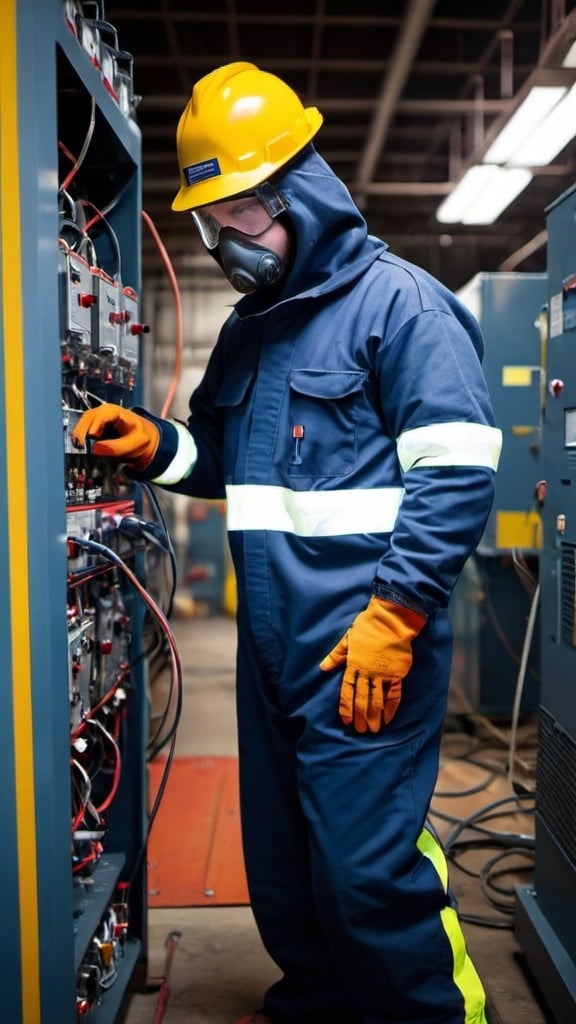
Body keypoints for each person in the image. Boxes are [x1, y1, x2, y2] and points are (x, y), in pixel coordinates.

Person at [73, 62, 502, 1024]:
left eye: (241, 216)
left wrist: (395, 615)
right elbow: (223, 461)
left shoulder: (402, 308)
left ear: (298, 191)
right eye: (210, 222)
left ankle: (433, 1012)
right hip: (275, 656)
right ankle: (320, 996)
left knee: (367, 868)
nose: (226, 241)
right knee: (285, 860)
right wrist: (159, 447)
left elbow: (460, 470)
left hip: (364, 651)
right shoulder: (248, 336)